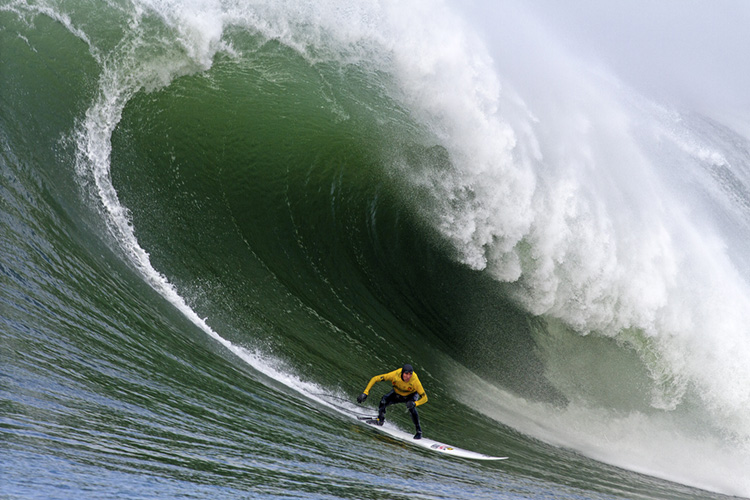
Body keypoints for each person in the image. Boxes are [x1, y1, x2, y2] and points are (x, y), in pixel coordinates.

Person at [356, 364, 428, 439]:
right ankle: (380, 420)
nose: (408, 376)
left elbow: (425, 398)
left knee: (411, 408)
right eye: (406, 374)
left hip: (410, 396)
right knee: (383, 400)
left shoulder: (415, 381)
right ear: (402, 373)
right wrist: (365, 393)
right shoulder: (395, 375)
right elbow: (375, 378)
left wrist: (415, 403)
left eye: (410, 374)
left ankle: (419, 431)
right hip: (397, 393)